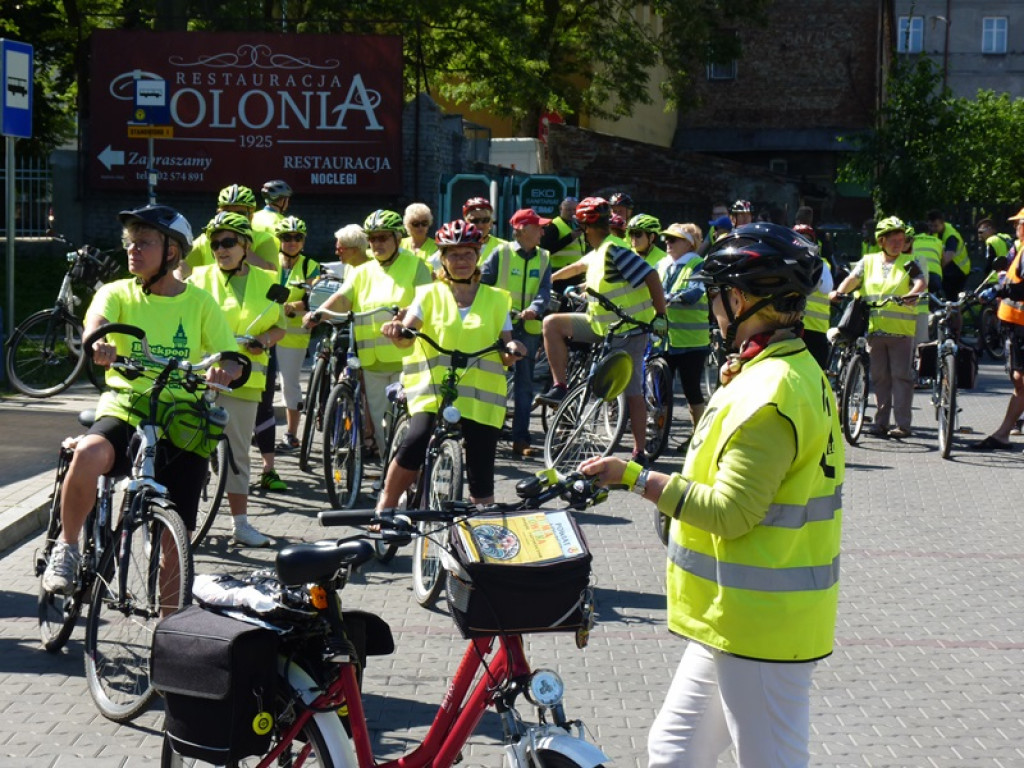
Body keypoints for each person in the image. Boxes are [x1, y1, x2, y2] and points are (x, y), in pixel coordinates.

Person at [579, 221, 843, 768]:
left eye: (718, 297)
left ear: (742, 299)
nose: (713, 310)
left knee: (769, 760)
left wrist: (636, 478)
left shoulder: (770, 394)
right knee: (674, 751)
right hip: (735, 615)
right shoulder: (781, 370)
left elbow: (733, 512)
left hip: (761, 625)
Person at [42, 205, 240, 593]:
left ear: (172, 251)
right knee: (89, 454)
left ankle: (168, 633)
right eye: (130, 243)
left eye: (144, 242)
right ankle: (66, 548)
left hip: (183, 416)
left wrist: (224, 370)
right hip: (128, 405)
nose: (133, 250)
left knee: (176, 537)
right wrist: (98, 341)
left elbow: (230, 357)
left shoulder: (200, 303)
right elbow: (96, 323)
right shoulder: (118, 292)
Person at [377, 220, 526, 506]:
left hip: (481, 399)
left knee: (482, 461)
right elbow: (407, 335)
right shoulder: (428, 294)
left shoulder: (496, 300)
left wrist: (513, 348)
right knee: (416, 440)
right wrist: (397, 331)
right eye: (454, 255)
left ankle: (482, 526)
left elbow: (506, 348)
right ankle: (387, 502)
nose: (461, 261)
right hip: (431, 390)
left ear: (478, 256)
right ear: (443, 258)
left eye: (468, 254)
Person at [537, 196, 668, 465]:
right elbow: (577, 267)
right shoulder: (599, 251)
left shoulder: (614, 250)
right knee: (552, 324)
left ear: (584, 228)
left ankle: (639, 451)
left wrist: (661, 316)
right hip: (600, 325)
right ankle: (560, 385)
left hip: (629, 329)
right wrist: (546, 280)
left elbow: (651, 276)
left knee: (632, 391)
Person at [188, 212, 288, 547]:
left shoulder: (267, 281)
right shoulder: (197, 279)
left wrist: (265, 340)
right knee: (189, 449)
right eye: (215, 243)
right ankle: (182, 523)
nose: (221, 249)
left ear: (245, 245)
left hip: (247, 380)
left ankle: (241, 524)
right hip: (204, 377)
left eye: (229, 242)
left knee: (238, 451)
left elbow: (279, 327)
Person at [306, 209, 433, 460]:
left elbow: (426, 301)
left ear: (397, 238)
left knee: (407, 425)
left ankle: (415, 476)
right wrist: (319, 313)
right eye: (372, 239)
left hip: (405, 359)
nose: (377, 244)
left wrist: (404, 317)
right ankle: (389, 473)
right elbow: (344, 298)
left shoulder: (416, 265)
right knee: (381, 427)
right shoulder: (363, 270)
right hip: (372, 361)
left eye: (383, 238)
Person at [831, 216, 926, 439]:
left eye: (901, 240)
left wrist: (914, 293)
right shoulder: (869, 260)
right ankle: (880, 423)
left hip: (901, 330)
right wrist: (839, 292)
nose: (898, 244)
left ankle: (903, 425)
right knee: (880, 378)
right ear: (881, 241)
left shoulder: (908, 262)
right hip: (874, 329)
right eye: (893, 240)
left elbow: (920, 281)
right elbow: (853, 279)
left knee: (901, 377)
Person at [480, 208, 553, 458]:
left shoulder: (544, 256)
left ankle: (520, 439)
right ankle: (485, 434)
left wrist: (536, 307)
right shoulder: (500, 253)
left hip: (528, 329)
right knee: (491, 381)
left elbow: (545, 291)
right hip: (498, 326)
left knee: (524, 386)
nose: (543, 232)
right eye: (538, 227)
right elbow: (482, 283)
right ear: (522, 230)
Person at [970, 206, 1024, 451]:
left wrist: (998, 290)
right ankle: (1005, 431)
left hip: (1021, 326)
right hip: (1014, 324)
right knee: (1019, 380)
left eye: (1018, 223)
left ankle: (1003, 433)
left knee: (1020, 381)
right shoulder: (1020, 247)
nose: (1015, 227)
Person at [657, 222, 709, 450]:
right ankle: (658, 436)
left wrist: (673, 296)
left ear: (689, 243)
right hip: (663, 339)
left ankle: (699, 438)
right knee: (660, 392)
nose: (667, 243)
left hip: (691, 342)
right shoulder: (662, 264)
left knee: (691, 390)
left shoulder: (698, 265)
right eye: (666, 239)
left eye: (673, 239)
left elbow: (696, 291)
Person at [273, 216, 320, 451]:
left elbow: (312, 299)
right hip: (267, 330)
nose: (292, 242)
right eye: (287, 238)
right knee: (259, 384)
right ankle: (259, 430)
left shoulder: (308, 265)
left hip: (293, 335)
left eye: (297, 238)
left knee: (289, 384)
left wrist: (294, 306)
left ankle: (291, 434)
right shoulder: (270, 262)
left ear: (303, 241)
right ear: (279, 240)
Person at [178, 184, 279, 277]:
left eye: (240, 213)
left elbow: (271, 274)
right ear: (218, 214)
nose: (233, 217)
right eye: (227, 213)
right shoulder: (206, 239)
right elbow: (181, 269)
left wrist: (242, 245)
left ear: (251, 216)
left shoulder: (264, 239)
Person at [793, 223, 834, 369]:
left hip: (816, 329)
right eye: (798, 240)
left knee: (817, 373)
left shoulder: (822, 265)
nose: (803, 245)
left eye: (807, 240)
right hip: (791, 327)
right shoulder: (786, 262)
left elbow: (826, 288)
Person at [927, 209, 970, 299]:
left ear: (942, 223)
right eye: (930, 226)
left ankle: (955, 312)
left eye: (935, 226)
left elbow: (947, 258)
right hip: (950, 267)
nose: (933, 229)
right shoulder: (934, 232)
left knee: (951, 298)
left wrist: (934, 269)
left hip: (959, 269)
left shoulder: (950, 236)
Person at [463, 197, 507, 265]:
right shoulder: (453, 246)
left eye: (485, 220)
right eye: (475, 221)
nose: (480, 225)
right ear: (465, 222)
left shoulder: (505, 247)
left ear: (491, 222)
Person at [400, 202, 439, 268]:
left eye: (424, 223)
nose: (420, 227)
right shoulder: (399, 245)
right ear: (408, 225)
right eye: (416, 224)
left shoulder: (436, 248)